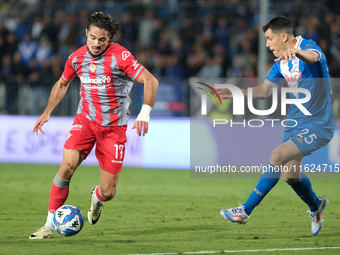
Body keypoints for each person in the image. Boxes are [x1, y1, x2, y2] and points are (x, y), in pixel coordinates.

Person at [29, 12, 158, 239]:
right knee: (67, 166)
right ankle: (49, 224)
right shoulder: (76, 58)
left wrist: (144, 113)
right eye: (92, 38)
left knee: (108, 191)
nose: (96, 44)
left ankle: (97, 197)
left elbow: (150, 79)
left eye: (102, 40)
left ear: (109, 39)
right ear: (86, 34)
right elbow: (62, 83)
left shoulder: (121, 56)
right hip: (85, 122)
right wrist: (47, 111)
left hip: (114, 128)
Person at [218, 16, 334, 236]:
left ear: (284, 36)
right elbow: (264, 91)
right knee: (290, 176)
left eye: (269, 39)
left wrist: (296, 52)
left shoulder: (308, 46)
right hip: (295, 123)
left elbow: (313, 58)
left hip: (319, 123)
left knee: (277, 155)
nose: (267, 44)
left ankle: (245, 210)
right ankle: (316, 206)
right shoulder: (281, 62)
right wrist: (236, 93)